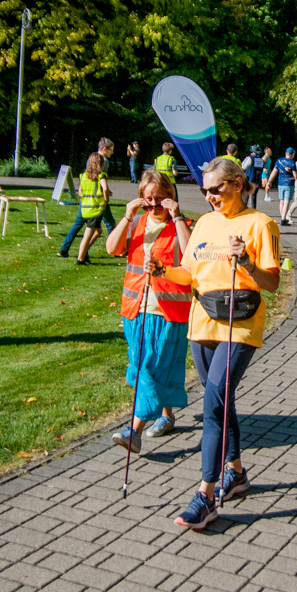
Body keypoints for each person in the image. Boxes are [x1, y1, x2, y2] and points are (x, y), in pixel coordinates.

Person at [164, 157, 281, 529]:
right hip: (202, 321)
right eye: (204, 190)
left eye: (216, 188)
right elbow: (189, 271)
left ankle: (206, 495)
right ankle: (237, 473)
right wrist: (161, 270)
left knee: (213, 402)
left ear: (237, 184)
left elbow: (273, 283)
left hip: (239, 323)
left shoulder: (261, 224)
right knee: (222, 400)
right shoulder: (204, 222)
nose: (210, 196)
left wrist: (245, 260)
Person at [106, 169, 194, 451]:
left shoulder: (183, 224)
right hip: (134, 308)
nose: (155, 204)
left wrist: (178, 216)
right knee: (148, 364)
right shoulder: (136, 222)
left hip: (167, 311)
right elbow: (111, 248)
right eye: (149, 199)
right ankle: (166, 415)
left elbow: (193, 254)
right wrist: (128, 215)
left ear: (171, 196)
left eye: (161, 198)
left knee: (150, 367)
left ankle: (134, 431)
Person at [58, 139, 117, 258]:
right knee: (109, 223)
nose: (112, 153)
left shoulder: (90, 160)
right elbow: (101, 180)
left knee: (79, 224)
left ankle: (64, 249)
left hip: (85, 200)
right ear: (104, 149)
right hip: (97, 201)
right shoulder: (103, 161)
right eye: (111, 150)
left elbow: (87, 181)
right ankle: (115, 249)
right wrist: (105, 198)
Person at [74, 152, 111, 265]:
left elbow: (80, 192)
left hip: (85, 208)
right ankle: (80, 258)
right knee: (88, 233)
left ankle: (84, 252)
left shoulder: (83, 176)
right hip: (96, 208)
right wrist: (106, 200)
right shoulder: (101, 175)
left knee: (98, 231)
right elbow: (105, 189)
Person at [267, 147, 297, 226]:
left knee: (281, 201)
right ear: (292, 155)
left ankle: (282, 217)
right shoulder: (292, 163)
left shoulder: (279, 161)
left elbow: (274, 172)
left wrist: (269, 181)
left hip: (280, 184)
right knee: (287, 202)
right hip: (289, 184)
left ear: (285, 153)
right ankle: (283, 219)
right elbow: (295, 175)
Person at [241, 145, 263, 209]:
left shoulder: (250, 158)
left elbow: (243, 166)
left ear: (253, 152)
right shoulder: (261, 159)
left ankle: (244, 208)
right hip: (258, 180)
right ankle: (254, 209)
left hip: (250, 178)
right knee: (254, 196)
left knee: (246, 194)